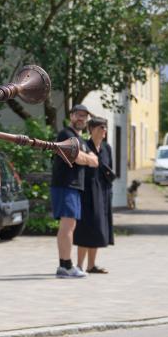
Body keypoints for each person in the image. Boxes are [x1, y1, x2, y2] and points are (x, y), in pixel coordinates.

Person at [50, 105, 99, 278]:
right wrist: (87, 158)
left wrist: (86, 158)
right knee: (67, 225)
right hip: (65, 185)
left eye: (84, 117)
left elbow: (95, 159)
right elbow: (77, 157)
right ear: (71, 116)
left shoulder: (81, 139)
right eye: (79, 115)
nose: (82, 119)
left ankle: (65, 265)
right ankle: (65, 265)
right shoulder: (66, 135)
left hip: (74, 187)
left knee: (70, 225)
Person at [75, 117, 116, 273]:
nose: (104, 130)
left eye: (105, 127)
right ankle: (79, 265)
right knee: (86, 227)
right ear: (91, 129)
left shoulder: (107, 148)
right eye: (100, 127)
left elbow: (109, 169)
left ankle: (91, 265)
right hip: (87, 191)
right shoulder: (85, 146)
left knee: (99, 227)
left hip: (103, 191)